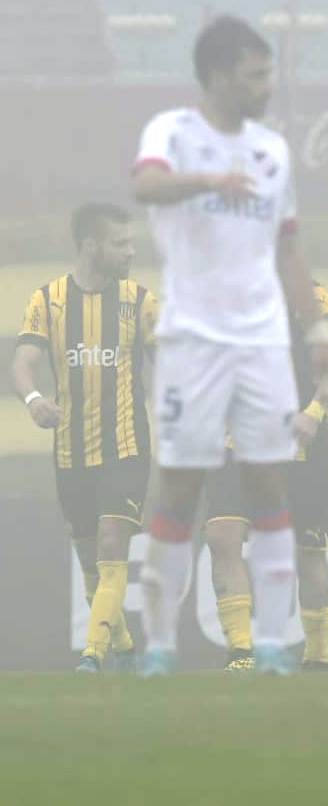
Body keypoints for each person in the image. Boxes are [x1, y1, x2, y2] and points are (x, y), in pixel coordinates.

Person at [130, 15, 328, 676]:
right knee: (182, 487)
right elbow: (145, 186)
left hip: (261, 342)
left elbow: (289, 249)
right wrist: (209, 182)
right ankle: (160, 642)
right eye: (256, 75)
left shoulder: (273, 151)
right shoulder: (172, 132)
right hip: (192, 337)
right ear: (219, 75)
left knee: (269, 482)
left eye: (269, 72)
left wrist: (318, 333)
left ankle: (271, 643)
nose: (267, 86)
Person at [12, 203, 155, 673]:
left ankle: (93, 655)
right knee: (92, 561)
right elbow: (23, 362)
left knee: (113, 542)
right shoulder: (48, 300)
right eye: (121, 243)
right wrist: (34, 398)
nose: (130, 252)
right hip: (71, 453)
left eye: (131, 243)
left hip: (126, 447)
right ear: (91, 246)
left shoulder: (140, 302)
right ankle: (127, 645)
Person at [203, 282, 328, 672]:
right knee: (221, 535)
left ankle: (317, 658)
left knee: (309, 555)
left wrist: (314, 413)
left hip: (300, 446)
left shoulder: (315, 299)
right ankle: (241, 653)